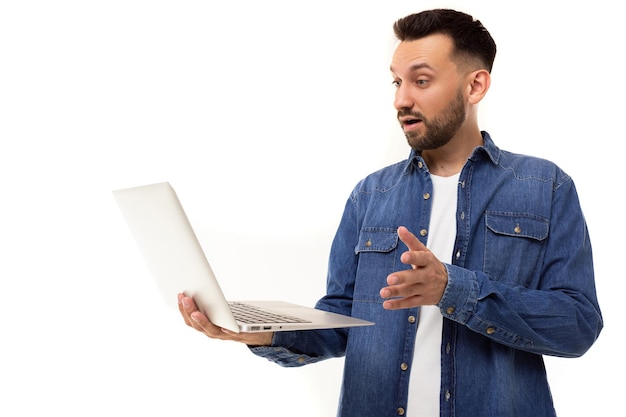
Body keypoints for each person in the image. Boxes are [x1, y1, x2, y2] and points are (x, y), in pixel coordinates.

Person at [178, 9, 603, 417]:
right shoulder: (371, 194)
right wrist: (257, 330)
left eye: (421, 80)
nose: (402, 99)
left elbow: (578, 326)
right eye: (397, 82)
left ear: (475, 86)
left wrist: (452, 289)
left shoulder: (545, 186)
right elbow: (341, 321)